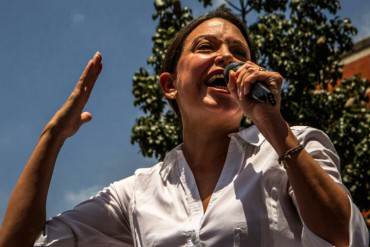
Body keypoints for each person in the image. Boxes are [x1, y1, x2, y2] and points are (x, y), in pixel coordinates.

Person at [0, 7, 368, 247]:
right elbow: (22, 243)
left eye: (239, 53)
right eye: (206, 46)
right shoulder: (136, 194)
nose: (226, 57)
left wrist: (274, 126)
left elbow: (344, 235)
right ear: (169, 85)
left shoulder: (294, 145)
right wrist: (52, 137)